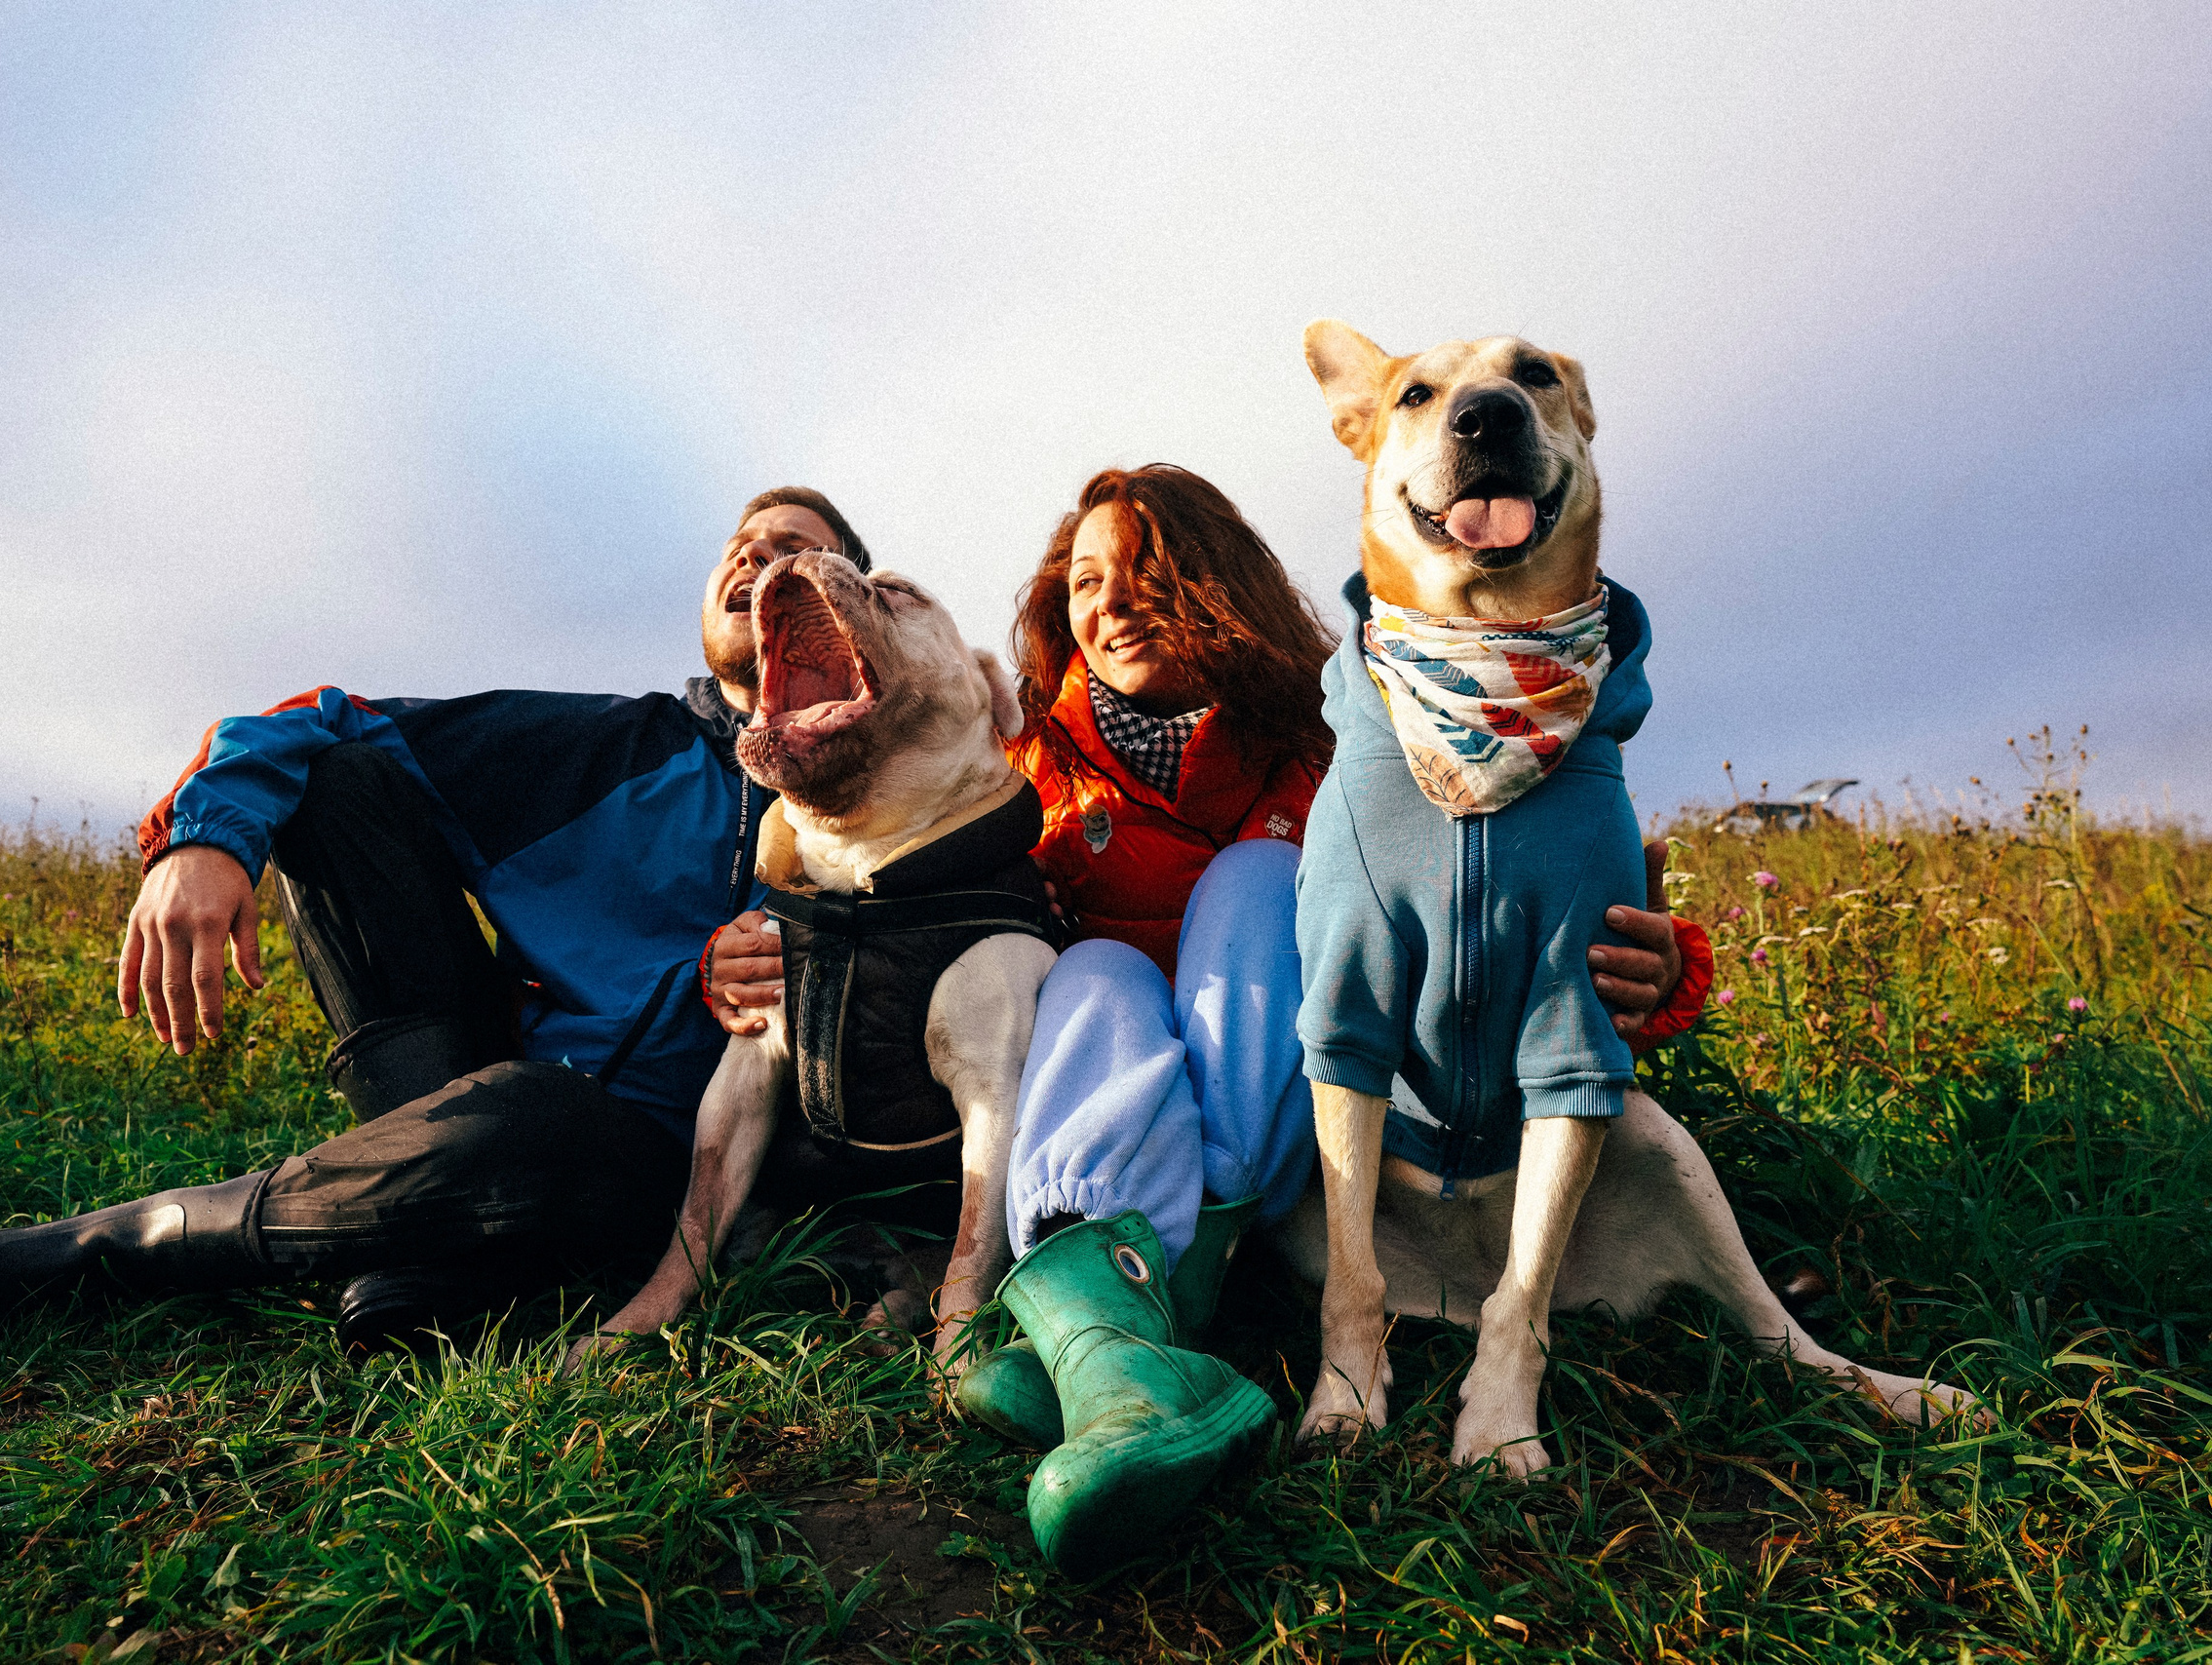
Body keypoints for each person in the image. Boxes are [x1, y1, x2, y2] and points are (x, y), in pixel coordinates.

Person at [707, 465, 1708, 1572]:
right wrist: (752, 946)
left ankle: (1111, 1328)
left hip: (1275, 1099)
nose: (1114, 601)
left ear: (1219, 585)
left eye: (1151, 571)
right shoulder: (1025, 769)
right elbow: (906, 912)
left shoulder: (1346, 753)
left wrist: (1663, 968)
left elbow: (1483, 915)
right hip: (1119, 1096)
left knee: (1254, 883)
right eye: (1087, 579)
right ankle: (1112, 1332)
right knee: (1091, 969)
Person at [0, 488, 873, 1359]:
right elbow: (318, 717)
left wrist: (786, 962)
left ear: (856, 607)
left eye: (795, 549)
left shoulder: (900, 782)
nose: (757, 557)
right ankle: (427, 1250)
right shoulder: (601, 745)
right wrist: (204, 841)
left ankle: (92, 1251)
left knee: (539, 1119)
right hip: (487, 1080)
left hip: (661, 1153)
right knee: (335, 781)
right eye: (741, 547)